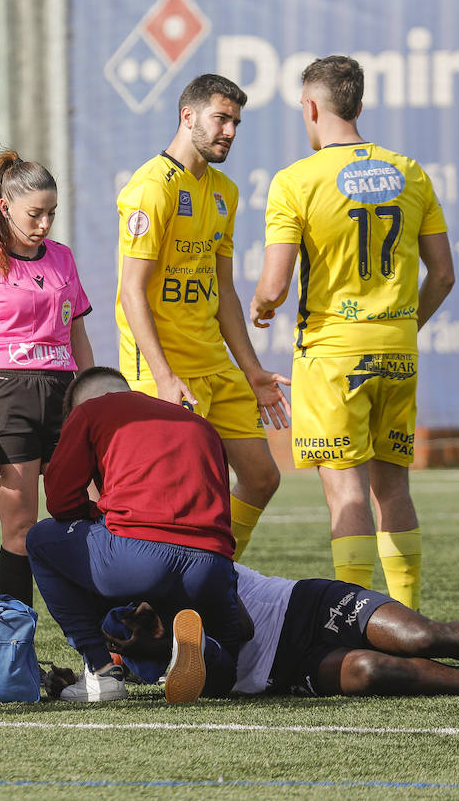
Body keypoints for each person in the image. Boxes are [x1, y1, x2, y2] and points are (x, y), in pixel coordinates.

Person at [251, 55, 455, 611]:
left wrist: (261, 306)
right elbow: (444, 275)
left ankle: (365, 623)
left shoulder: (297, 179)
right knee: (394, 487)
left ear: (312, 107)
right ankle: (408, 615)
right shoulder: (410, 171)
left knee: (345, 490)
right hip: (397, 348)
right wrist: (405, 323)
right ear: (359, 105)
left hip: (333, 353)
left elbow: (274, 283)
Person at [115, 73, 289, 562]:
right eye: (221, 118)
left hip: (215, 364)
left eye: (236, 121)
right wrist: (164, 377)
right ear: (187, 116)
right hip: (163, 370)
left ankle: (215, 574)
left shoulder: (223, 192)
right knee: (179, 498)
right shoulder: (151, 189)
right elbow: (132, 292)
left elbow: (225, 291)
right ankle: (150, 606)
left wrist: (252, 370)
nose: (230, 130)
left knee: (261, 476)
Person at [26, 367, 249, 704]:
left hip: (136, 557)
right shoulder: (200, 424)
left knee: (41, 540)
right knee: (225, 677)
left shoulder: (88, 411)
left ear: (75, 409)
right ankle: (202, 650)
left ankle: (101, 672)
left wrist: (98, 516)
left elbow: (60, 502)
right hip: (211, 566)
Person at [103, 564, 459, 699]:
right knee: (371, 668)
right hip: (287, 671)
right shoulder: (171, 668)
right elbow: (212, 664)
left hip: (307, 606)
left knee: (422, 637)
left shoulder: (174, 572)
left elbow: (234, 621)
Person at [0, 151, 94, 606]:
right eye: (35, 213)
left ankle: (105, 648)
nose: (45, 223)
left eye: (51, 213)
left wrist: (94, 403)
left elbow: (79, 337)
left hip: (64, 395)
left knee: (87, 516)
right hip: (7, 397)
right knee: (19, 528)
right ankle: (16, 649)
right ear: (6, 206)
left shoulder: (63, 259)